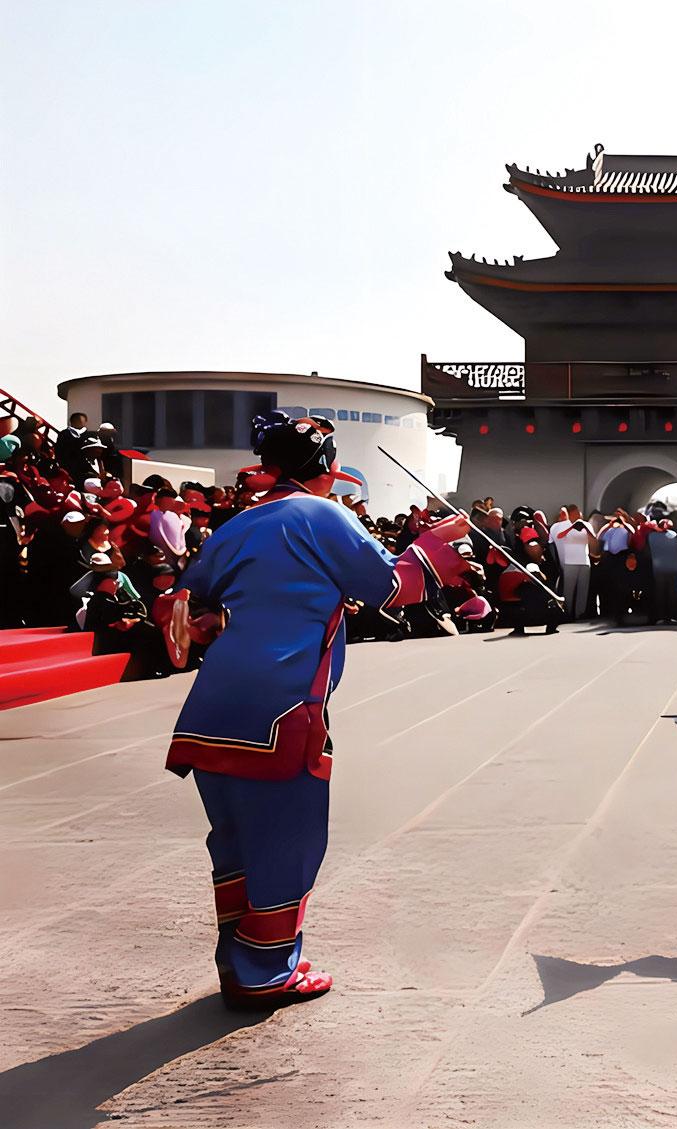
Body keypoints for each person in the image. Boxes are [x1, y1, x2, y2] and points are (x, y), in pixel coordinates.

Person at [161, 412, 471, 1008]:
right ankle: (265, 971)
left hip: (212, 705)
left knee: (234, 836)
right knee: (288, 836)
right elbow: (389, 587)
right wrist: (432, 547)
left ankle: (240, 954)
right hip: (281, 703)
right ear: (328, 466)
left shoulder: (237, 523)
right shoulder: (320, 514)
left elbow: (189, 604)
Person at [549, 504, 598, 620]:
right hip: (570, 562)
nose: (578, 514)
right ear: (570, 514)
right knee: (568, 591)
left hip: (584, 562)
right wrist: (572, 527)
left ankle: (580, 614)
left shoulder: (586, 524)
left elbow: (594, 540)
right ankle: (567, 613)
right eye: (575, 512)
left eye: (578, 512)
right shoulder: (563, 526)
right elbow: (560, 536)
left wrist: (585, 528)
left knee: (583, 590)